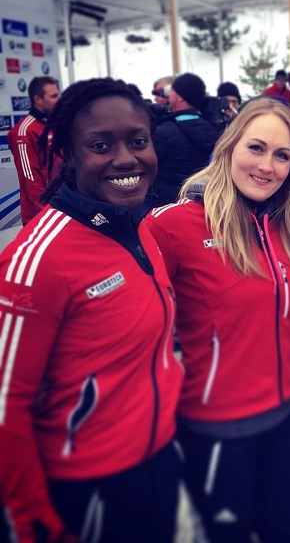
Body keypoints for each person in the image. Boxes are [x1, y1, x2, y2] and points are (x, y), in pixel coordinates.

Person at [0, 78, 184, 542]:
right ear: (69, 154)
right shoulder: (35, 262)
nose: (126, 159)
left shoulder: (138, 225)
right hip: (85, 490)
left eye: (138, 141)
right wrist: (29, 512)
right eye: (100, 145)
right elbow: (4, 406)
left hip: (157, 463)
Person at [146, 97, 290, 543]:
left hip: (285, 421)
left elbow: (284, 306)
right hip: (216, 436)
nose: (268, 165)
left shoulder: (286, 226)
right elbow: (130, 313)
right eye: (256, 148)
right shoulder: (172, 226)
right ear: (229, 148)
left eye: (282, 154)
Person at [152, 72, 220, 206]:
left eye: (172, 91)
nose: (168, 95)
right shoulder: (211, 128)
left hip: (165, 204)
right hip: (198, 201)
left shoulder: (164, 132)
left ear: (180, 97)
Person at [7, 76, 60, 225]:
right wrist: (49, 210)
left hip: (62, 209)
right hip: (40, 215)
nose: (59, 100)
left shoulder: (54, 126)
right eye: (54, 96)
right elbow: (29, 178)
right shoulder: (23, 132)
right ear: (38, 100)